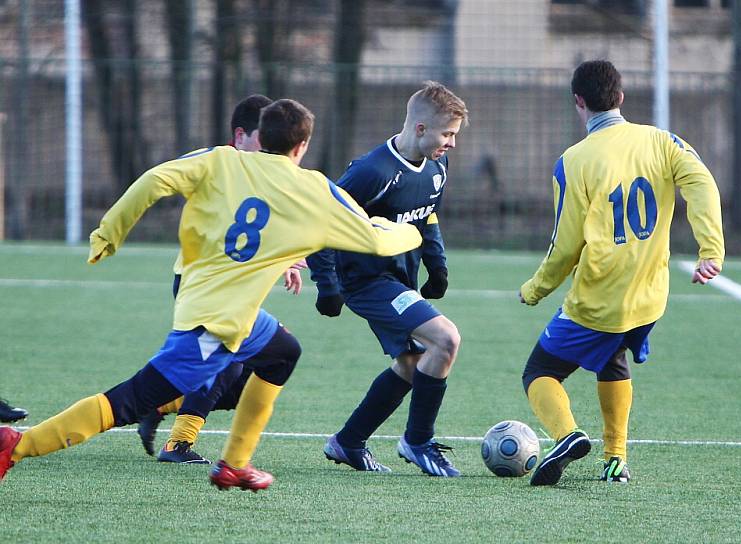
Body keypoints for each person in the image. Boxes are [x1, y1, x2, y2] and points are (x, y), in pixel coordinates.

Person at [0, 99, 422, 492]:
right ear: (302, 146)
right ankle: (15, 445)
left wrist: (110, 230)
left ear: (261, 133)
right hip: (216, 323)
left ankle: (235, 464)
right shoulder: (314, 188)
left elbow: (154, 179)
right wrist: (412, 228)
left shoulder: (219, 159)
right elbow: (375, 239)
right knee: (129, 401)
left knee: (282, 352)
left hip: (216, 305)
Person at [518, 60, 725, 486]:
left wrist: (535, 289)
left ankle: (566, 435)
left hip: (599, 298)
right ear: (621, 97)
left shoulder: (573, 161)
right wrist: (711, 249)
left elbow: (566, 244)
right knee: (613, 357)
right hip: (649, 297)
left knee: (539, 372)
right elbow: (702, 183)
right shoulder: (663, 140)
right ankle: (616, 460)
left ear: (578, 100)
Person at [307, 81, 468, 477]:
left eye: (454, 135)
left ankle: (348, 442)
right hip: (365, 280)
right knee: (446, 339)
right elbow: (322, 219)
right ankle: (417, 442)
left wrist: (438, 266)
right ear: (419, 129)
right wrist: (326, 283)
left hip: (401, 278)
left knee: (414, 364)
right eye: (447, 134)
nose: (451, 143)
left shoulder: (436, 166)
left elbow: (427, 216)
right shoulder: (372, 171)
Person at [136, 94, 307, 465]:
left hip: (233, 287)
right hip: (206, 285)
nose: (268, 149)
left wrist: (285, 261)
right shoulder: (217, 164)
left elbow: (258, 229)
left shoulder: (257, 171)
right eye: (261, 139)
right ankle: (176, 442)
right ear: (240, 135)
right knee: (232, 362)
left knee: (244, 373)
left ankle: (160, 404)